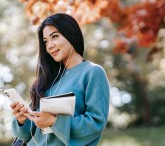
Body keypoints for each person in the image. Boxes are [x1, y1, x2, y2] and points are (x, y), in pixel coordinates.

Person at [10, 13, 110, 146]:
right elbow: (25, 136)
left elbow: (96, 124)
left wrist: (54, 121)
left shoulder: (93, 72)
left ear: (71, 34)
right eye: (45, 41)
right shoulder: (47, 79)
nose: (49, 46)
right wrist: (22, 120)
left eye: (55, 37)